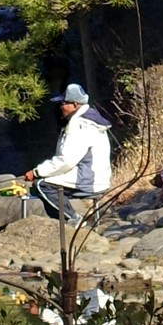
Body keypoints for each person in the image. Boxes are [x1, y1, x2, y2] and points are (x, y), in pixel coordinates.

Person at [23, 82, 112, 223]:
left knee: (42, 184)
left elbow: (66, 161)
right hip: (93, 176)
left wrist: (36, 172)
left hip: (89, 179)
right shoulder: (85, 119)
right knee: (41, 185)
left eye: (63, 103)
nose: (60, 107)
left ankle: (74, 221)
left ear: (75, 105)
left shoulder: (80, 124)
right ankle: (65, 223)